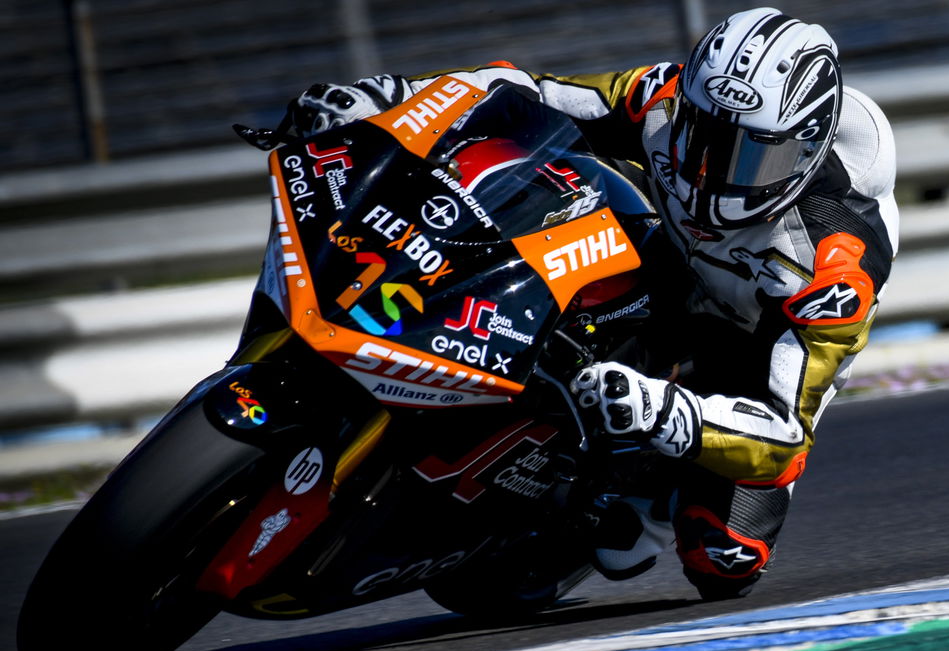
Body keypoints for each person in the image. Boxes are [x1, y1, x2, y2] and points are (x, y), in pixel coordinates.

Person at [285, 7, 898, 600]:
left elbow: (785, 436)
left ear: (805, 150)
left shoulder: (835, 266)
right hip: (658, 256)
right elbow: (525, 92)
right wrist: (389, 99)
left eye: (751, 157)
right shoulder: (666, 98)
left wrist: (667, 414)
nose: (712, 171)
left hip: (744, 343)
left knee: (724, 559)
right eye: (703, 139)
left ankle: (650, 495)